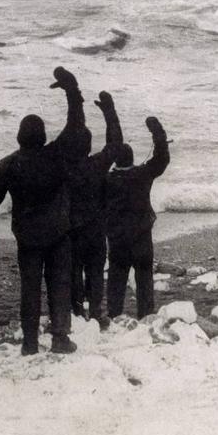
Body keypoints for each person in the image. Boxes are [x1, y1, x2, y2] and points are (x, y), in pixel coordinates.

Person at [0, 66, 87, 356]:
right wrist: (72, 90)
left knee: (30, 289)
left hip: (28, 236)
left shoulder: (10, 163)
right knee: (60, 285)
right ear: (41, 136)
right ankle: (60, 338)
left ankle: (30, 343)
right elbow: (76, 127)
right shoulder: (56, 155)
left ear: (19, 137)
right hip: (58, 232)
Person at [66, 90, 125, 329]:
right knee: (95, 270)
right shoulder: (97, 164)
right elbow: (116, 144)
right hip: (95, 228)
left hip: (72, 229)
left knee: (74, 271)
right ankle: (97, 313)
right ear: (89, 146)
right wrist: (110, 113)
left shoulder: (64, 168)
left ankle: (77, 312)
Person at [104, 115, 170, 320]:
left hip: (118, 239)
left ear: (115, 160)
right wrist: (157, 132)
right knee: (144, 280)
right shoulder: (143, 174)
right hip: (141, 235)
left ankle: (114, 318)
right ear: (132, 159)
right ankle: (146, 317)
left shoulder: (107, 180)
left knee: (116, 281)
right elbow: (162, 159)